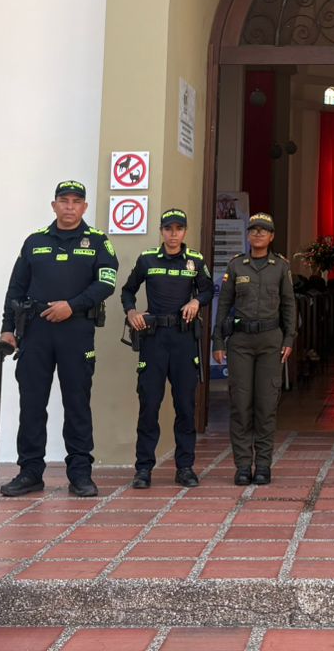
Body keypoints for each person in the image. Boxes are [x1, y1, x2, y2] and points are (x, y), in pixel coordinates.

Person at [0, 180, 118, 498]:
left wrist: (72, 306)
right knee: (32, 404)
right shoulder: (34, 241)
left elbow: (106, 282)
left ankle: (80, 475)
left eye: (76, 201)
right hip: (35, 331)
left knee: (76, 404)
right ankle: (30, 472)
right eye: (63, 200)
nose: (69, 206)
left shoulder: (98, 242)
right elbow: (16, 289)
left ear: (84, 207)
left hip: (75, 331)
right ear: (54, 205)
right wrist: (7, 328)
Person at [120, 207, 214, 490]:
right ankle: (143, 469)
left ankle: (185, 467)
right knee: (149, 405)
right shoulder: (147, 259)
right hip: (154, 339)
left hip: (184, 340)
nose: (173, 234)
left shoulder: (195, 260)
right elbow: (127, 290)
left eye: (178, 229)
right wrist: (131, 311)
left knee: (185, 405)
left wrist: (197, 301)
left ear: (184, 232)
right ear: (161, 231)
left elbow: (209, 289)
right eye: (168, 229)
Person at [211, 212, 296, 486]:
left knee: (266, 406)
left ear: (271, 237)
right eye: (253, 230)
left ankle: (263, 466)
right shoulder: (236, 266)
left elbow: (288, 306)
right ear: (248, 235)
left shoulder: (280, 267)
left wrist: (289, 340)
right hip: (241, 343)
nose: (258, 234)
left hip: (271, 341)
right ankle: (243, 466)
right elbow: (223, 306)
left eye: (264, 230)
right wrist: (218, 341)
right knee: (240, 405)